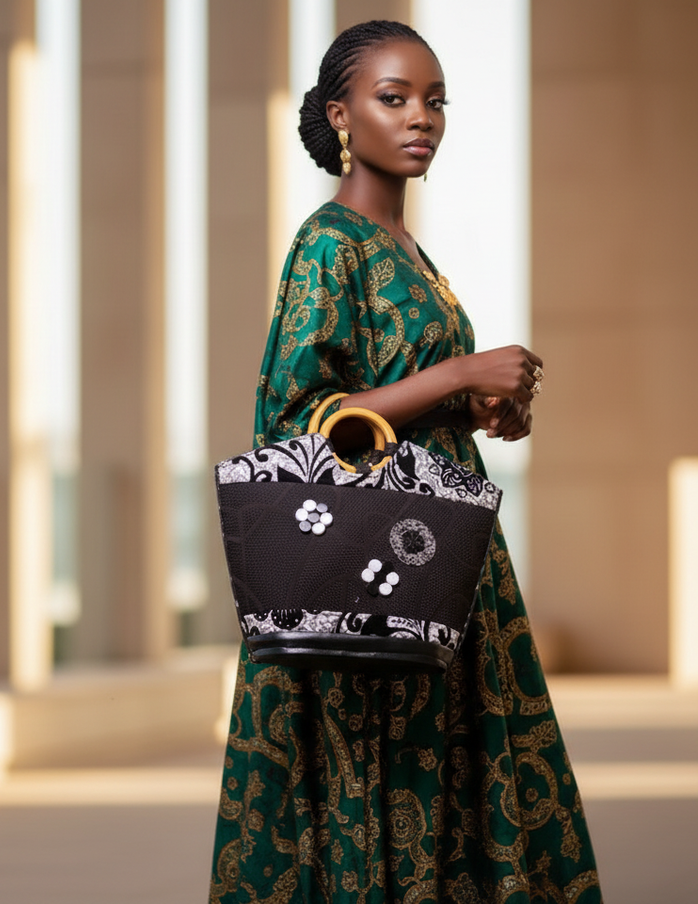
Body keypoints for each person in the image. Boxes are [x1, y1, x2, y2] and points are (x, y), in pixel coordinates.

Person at [209, 20, 604, 904]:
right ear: (341, 116)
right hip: (371, 563)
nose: (421, 117)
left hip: (438, 553)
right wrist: (457, 373)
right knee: (383, 765)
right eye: (394, 98)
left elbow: (392, 398)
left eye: (435, 101)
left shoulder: (408, 252)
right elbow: (299, 425)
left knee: (449, 767)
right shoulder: (329, 243)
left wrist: (477, 408)